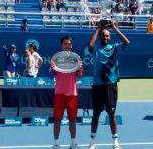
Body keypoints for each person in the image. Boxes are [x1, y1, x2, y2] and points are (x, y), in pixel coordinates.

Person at [88, 20, 129, 149]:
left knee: (111, 114)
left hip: (110, 85)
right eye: (103, 35)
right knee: (96, 115)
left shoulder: (114, 47)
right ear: (100, 36)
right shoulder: (97, 49)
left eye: (107, 36)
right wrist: (97, 29)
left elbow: (126, 42)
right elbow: (90, 45)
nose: (105, 37)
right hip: (98, 85)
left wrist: (115, 28)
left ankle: (115, 142)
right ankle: (92, 142)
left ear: (110, 38)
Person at [49, 36, 83, 149]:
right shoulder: (55, 60)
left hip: (72, 94)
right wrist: (53, 69)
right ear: (61, 45)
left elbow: (79, 75)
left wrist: (79, 69)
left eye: (69, 44)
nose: (67, 45)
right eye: (65, 44)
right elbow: (50, 76)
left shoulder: (76, 59)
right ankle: (56, 143)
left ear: (71, 45)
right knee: (57, 119)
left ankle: (73, 143)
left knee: (72, 120)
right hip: (59, 94)